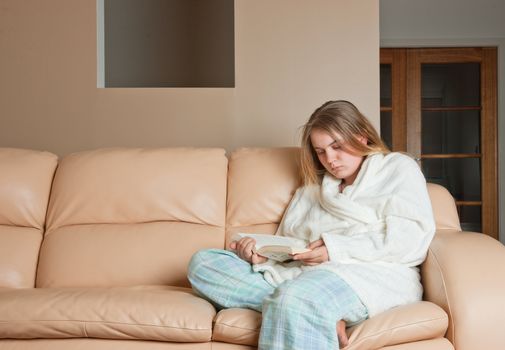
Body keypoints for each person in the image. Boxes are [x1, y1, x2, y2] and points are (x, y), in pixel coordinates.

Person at [187, 100, 436, 349]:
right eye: (320, 151)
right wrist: (262, 255)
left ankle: (307, 305)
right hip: (302, 275)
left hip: (369, 274)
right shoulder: (311, 190)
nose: (330, 159)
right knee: (204, 264)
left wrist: (334, 249)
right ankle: (319, 312)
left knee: (294, 298)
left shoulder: (397, 169)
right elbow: (290, 245)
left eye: (337, 146)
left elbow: (411, 241)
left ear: (361, 137)